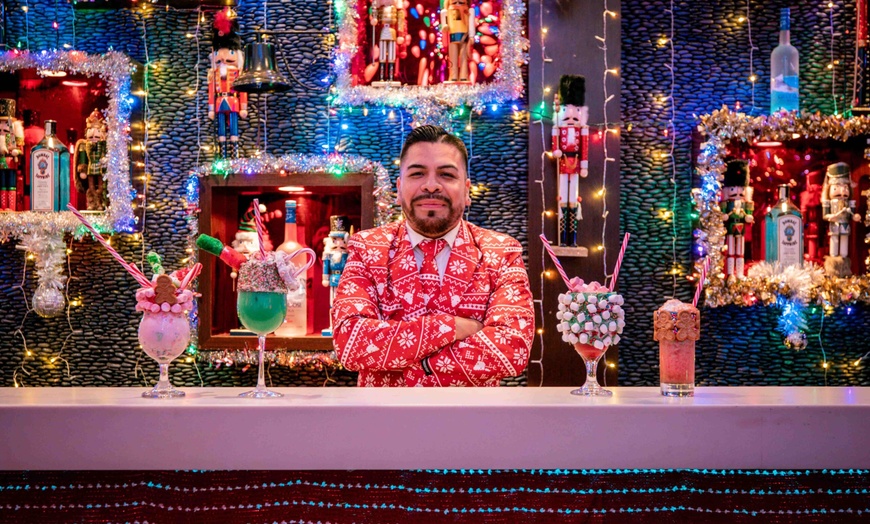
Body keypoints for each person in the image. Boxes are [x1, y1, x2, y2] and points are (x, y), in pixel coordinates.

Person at [331, 125, 534, 387]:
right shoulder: (367, 248)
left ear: (467, 189)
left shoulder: (501, 252)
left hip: (475, 423)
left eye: (446, 175)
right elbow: (351, 345)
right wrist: (452, 327)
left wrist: (416, 363)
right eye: (417, 174)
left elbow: (512, 351)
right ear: (399, 187)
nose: (431, 186)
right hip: (383, 423)